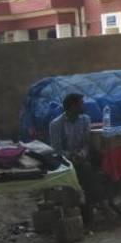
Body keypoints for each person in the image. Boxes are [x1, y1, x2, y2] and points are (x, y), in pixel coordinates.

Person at [48, 93, 106, 226]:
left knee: (87, 167)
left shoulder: (85, 119)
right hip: (66, 160)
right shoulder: (56, 124)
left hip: (82, 158)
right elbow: (56, 149)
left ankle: (90, 209)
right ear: (73, 106)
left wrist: (82, 154)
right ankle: (98, 206)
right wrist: (71, 156)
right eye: (81, 103)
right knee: (85, 170)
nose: (83, 106)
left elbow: (86, 143)